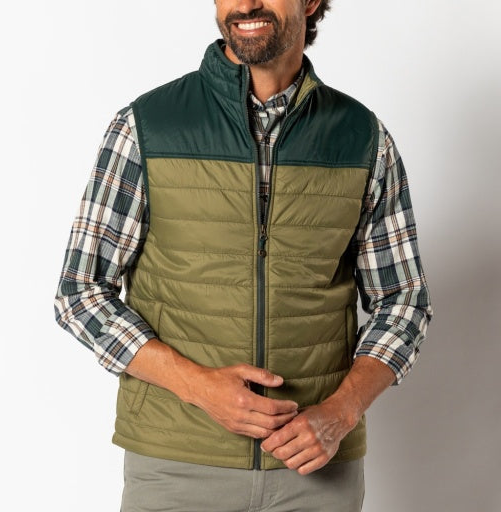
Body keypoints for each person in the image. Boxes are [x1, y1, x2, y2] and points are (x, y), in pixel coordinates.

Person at [54, 1, 432, 510]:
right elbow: (80, 291)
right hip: (175, 465)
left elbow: (403, 302)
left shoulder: (363, 139)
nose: (246, 2)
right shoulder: (147, 126)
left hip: (316, 470)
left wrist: (341, 412)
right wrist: (198, 387)